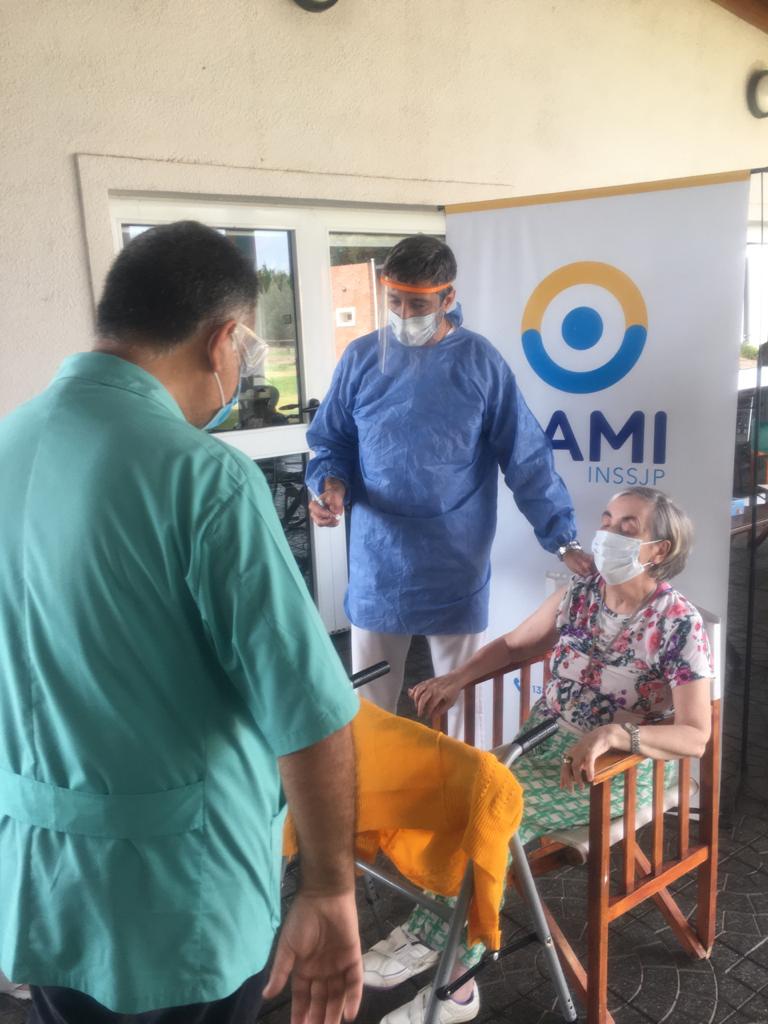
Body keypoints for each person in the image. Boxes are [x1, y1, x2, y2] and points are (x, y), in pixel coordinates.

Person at [0, 222, 362, 1024]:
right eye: (245, 352)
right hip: (179, 909)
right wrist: (331, 890)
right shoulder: (202, 479)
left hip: (42, 884)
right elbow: (308, 713)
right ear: (223, 340)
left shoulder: (10, 442)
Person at [365, 486, 713, 1024]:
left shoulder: (677, 624)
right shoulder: (583, 592)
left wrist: (614, 735)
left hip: (614, 767)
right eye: (607, 520)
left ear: (659, 549)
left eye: (628, 527)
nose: (608, 533)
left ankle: (456, 984)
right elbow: (514, 645)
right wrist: (456, 677)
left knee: (492, 815)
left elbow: (695, 736)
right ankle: (428, 935)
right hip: (540, 742)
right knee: (452, 794)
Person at [306, 235, 592, 733]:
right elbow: (333, 440)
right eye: (394, 301)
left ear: (448, 297)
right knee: (370, 707)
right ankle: (374, 780)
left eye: (417, 304)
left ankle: (465, 783)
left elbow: (526, 456)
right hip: (379, 559)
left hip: (453, 558)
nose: (403, 314)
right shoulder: (361, 358)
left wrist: (562, 538)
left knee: (462, 704)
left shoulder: (479, 362)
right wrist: (331, 485)